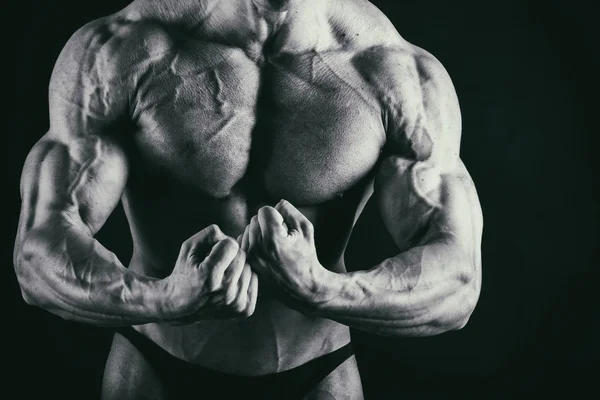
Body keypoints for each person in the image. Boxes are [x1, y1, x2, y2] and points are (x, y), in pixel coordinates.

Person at [13, 0, 483, 398]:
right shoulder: (120, 49)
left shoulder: (395, 73)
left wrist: (326, 289)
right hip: (153, 366)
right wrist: (163, 299)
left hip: (317, 370)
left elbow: (458, 283)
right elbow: (37, 257)